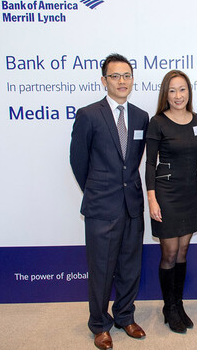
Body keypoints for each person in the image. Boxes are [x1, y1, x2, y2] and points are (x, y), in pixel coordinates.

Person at [70, 53, 149, 350]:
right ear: (104, 81)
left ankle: (125, 316)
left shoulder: (141, 116)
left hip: (132, 205)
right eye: (115, 76)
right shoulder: (89, 114)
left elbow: (136, 160)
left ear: (132, 79)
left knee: (130, 266)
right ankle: (99, 325)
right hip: (102, 207)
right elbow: (78, 161)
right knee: (101, 269)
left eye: (126, 75)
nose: (121, 81)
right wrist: (97, 190)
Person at [145, 70, 197, 333]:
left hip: (190, 193)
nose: (178, 96)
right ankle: (168, 307)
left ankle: (178, 304)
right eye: (172, 90)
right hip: (166, 193)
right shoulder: (157, 122)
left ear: (189, 92)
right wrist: (152, 198)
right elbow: (149, 163)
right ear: (165, 94)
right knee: (169, 253)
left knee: (183, 252)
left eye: (182, 90)